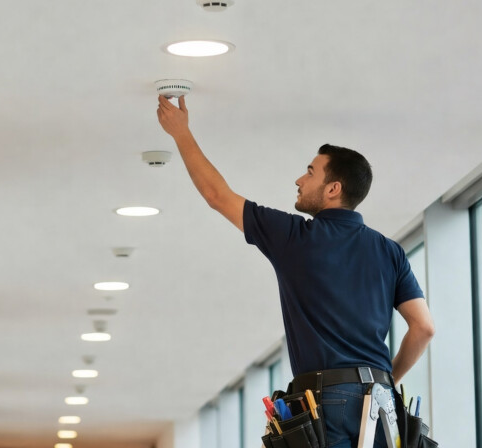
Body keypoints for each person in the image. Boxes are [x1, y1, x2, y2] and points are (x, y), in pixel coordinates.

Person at [156, 95, 435, 448]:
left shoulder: (296, 236)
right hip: (383, 407)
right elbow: (424, 328)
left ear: (333, 189)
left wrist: (181, 133)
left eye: (310, 172)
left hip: (327, 399)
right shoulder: (390, 250)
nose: (299, 179)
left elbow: (217, 195)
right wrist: (383, 382)